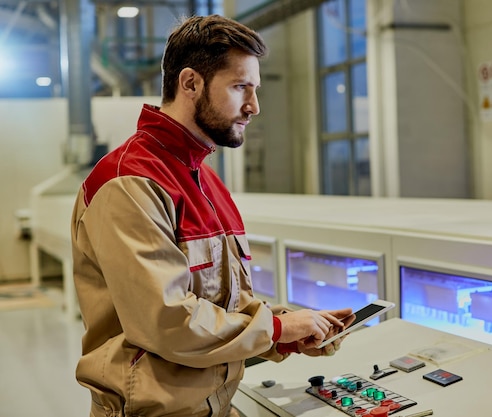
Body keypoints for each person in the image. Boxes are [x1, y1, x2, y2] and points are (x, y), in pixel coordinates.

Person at [70, 14, 353, 417]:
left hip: (216, 404)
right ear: (190, 84)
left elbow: (222, 305)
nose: (254, 106)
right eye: (241, 87)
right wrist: (276, 329)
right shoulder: (130, 182)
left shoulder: (204, 179)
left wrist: (289, 330)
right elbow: (167, 321)